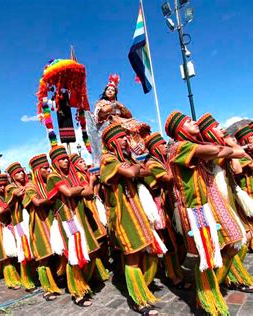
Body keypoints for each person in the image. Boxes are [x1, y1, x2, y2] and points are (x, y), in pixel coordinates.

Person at [165, 111, 241, 315]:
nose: (194, 122)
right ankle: (208, 299)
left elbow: (227, 153)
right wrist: (229, 147)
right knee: (206, 257)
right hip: (194, 209)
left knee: (233, 242)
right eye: (189, 122)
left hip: (205, 206)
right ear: (180, 130)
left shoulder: (191, 147)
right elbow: (217, 149)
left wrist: (228, 149)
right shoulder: (179, 147)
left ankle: (209, 292)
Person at [99, 123, 160, 315]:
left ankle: (143, 286)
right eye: (122, 137)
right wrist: (136, 166)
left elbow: (146, 171)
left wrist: (135, 166)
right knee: (133, 255)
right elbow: (135, 172)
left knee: (147, 251)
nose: (127, 140)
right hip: (123, 216)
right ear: (113, 142)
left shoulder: (125, 158)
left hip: (136, 211)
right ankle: (138, 300)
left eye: (127, 137)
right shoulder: (107, 159)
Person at [197, 113, 253, 293]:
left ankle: (231, 276)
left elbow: (237, 168)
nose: (222, 129)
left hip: (228, 198)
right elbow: (240, 161)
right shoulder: (208, 149)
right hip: (216, 202)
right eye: (217, 127)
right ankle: (212, 287)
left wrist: (231, 145)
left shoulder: (219, 147)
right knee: (235, 241)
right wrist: (233, 145)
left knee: (240, 240)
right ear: (209, 133)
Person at [46, 145, 98, 307]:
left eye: (66, 158)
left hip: (81, 218)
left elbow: (90, 192)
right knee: (74, 255)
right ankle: (77, 293)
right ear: (55, 162)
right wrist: (81, 188)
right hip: (67, 220)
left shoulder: (73, 175)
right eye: (61, 159)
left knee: (89, 251)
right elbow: (67, 193)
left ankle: (85, 283)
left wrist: (77, 189)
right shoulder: (53, 177)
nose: (65, 162)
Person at [143, 132, 190, 290]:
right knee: (170, 244)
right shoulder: (151, 163)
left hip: (171, 204)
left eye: (165, 143)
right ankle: (174, 277)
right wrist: (175, 161)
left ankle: (173, 270)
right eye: (162, 144)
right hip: (161, 208)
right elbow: (168, 179)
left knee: (179, 242)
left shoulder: (162, 160)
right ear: (155, 147)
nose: (165, 146)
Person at [23, 154, 62, 300]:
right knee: (44, 255)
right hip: (39, 223)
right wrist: (52, 198)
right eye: (45, 168)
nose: (49, 170)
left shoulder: (50, 182)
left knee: (58, 251)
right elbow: (37, 202)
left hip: (54, 220)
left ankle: (59, 277)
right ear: (38, 171)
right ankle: (48, 287)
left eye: (49, 167)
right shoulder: (30, 186)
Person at [69, 153, 110, 284]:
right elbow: (89, 193)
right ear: (75, 166)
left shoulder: (86, 174)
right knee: (97, 239)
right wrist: (92, 182)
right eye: (80, 162)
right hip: (89, 209)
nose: (84, 164)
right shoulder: (79, 176)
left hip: (95, 207)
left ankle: (101, 267)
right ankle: (95, 271)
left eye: (83, 162)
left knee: (102, 238)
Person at [92, 74, 151, 157]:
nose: (109, 91)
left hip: (121, 125)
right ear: (105, 91)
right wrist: (115, 105)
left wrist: (122, 107)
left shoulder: (118, 105)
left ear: (115, 93)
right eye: (108, 89)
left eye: (112, 90)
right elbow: (103, 111)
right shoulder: (101, 103)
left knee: (138, 126)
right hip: (109, 128)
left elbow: (129, 115)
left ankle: (144, 149)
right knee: (132, 128)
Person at [5, 162, 37, 291]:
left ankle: (35, 276)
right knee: (23, 249)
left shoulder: (28, 184)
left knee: (34, 246)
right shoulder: (10, 188)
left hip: (32, 219)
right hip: (19, 222)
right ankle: (27, 280)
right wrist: (26, 189)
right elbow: (17, 194)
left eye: (21, 171)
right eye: (17, 173)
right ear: (12, 176)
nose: (21, 174)